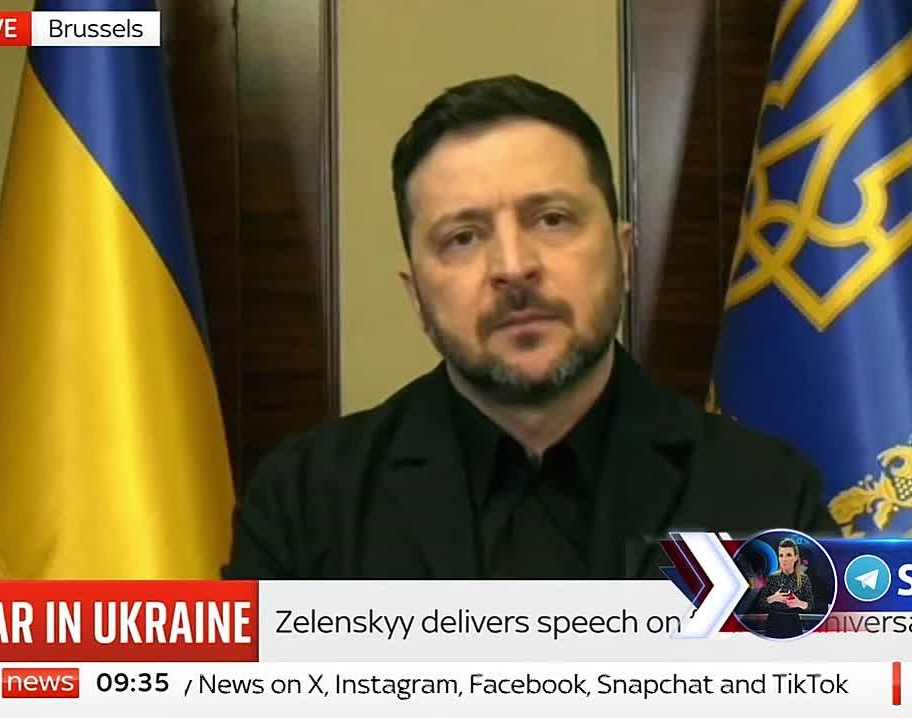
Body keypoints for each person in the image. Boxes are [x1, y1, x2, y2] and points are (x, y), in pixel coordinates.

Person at [223, 74, 837, 580]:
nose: (513, 268)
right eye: (463, 237)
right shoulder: (303, 504)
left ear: (624, 256)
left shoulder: (769, 497)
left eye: (551, 219)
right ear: (417, 297)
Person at [756, 538, 815, 638]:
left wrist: (798, 603)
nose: (784, 559)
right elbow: (760, 603)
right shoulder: (772, 578)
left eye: (788, 555)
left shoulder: (803, 579)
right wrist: (773, 598)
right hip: (773, 623)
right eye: (781, 555)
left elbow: (811, 605)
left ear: (796, 557)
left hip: (793, 623)